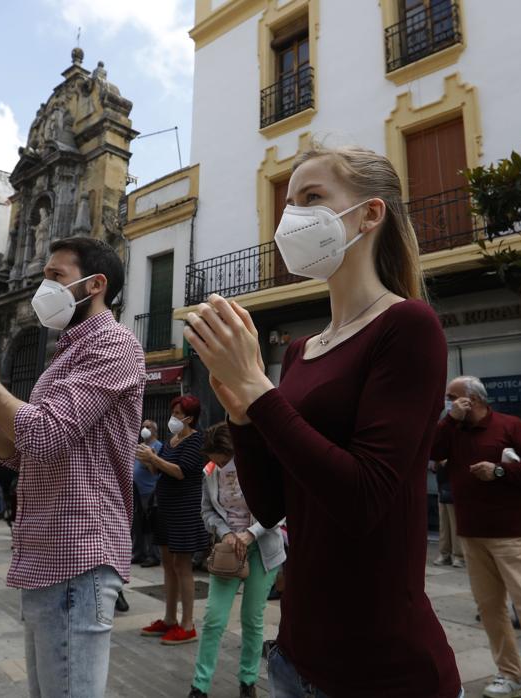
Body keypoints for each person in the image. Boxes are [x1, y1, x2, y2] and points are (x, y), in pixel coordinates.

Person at [184, 144, 462, 696]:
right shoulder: (301, 350)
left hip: (382, 669)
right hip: (296, 658)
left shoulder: (408, 326)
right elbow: (274, 505)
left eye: (313, 197)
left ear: (370, 214)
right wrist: (242, 414)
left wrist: (260, 393)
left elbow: (363, 496)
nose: (293, 217)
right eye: (290, 203)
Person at [0, 235, 144, 698]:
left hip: (78, 550)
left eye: (56, 276)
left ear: (95, 285)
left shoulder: (113, 344)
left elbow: (45, 434)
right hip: (46, 550)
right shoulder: (64, 356)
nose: (43, 286)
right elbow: (17, 452)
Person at [435, 377, 521, 698]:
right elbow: (430, 450)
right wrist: (449, 420)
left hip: (512, 534)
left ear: (473, 399)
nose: (448, 402)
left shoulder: (510, 426)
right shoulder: (452, 431)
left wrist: (500, 471)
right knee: (490, 609)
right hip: (472, 534)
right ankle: (509, 674)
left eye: (453, 397)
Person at [188, 423, 284, 698]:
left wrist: (250, 535)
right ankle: (199, 686)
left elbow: (279, 509)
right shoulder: (209, 473)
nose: (217, 463)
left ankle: (248, 680)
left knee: (252, 619)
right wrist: (227, 533)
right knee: (214, 618)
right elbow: (206, 511)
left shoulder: (260, 467)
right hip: (228, 551)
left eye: (221, 458)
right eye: (213, 458)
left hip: (263, 549)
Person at [137, 396, 206, 646]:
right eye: (173, 412)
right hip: (164, 507)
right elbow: (160, 471)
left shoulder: (196, 440)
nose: (174, 418)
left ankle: (187, 624)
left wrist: (155, 459)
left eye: (178, 413)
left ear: (190, 417)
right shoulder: (171, 441)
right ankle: (169, 618)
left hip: (183, 510)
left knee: (182, 565)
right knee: (168, 563)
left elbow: (180, 472)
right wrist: (148, 460)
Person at [132, 419, 163, 567]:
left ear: (154, 431)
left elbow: (156, 471)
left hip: (149, 491)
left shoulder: (157, 447)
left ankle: (153, 555)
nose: (144, 429)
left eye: (148, 427)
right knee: (137, 524)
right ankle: (138, 552)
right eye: (143, 426)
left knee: (151, 526)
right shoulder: (139, 447)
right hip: (136, 491)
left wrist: (148, 461)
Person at [431, 455, 464, 568]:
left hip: (454, 485)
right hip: (443, 485)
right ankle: (445, 554)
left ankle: (459, 556)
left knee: (454, 523)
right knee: (444, 524)